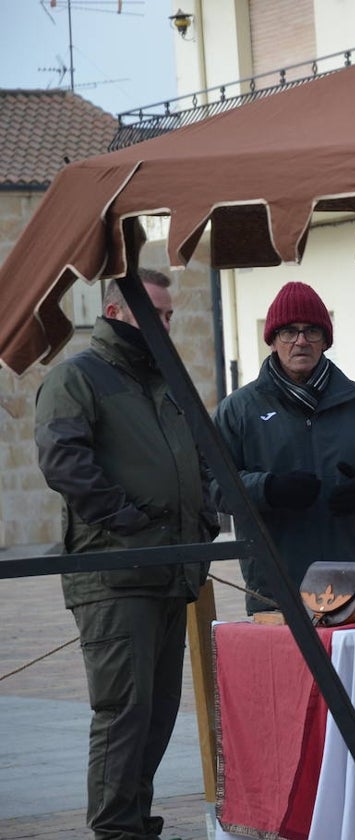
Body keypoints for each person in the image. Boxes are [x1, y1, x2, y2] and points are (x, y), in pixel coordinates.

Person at [34, 268, 218, 840]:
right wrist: (128, 522)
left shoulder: (167, 383)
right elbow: (64, 461)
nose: (167, 325)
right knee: (123, 711)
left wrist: (206, 520)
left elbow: (202, 459)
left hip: (172, 569)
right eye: (156, 315)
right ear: (116, 312)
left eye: (169, 316)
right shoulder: (76, 378)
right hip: (115, 575)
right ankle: (117, 830)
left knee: (158, 713)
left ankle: (137, 820)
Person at [212, 281, 355, 613]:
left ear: (325, 341)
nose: (301, 341)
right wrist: (269, 489)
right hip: (275, 585)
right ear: (273, 340)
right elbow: (209, 481)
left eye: (312, 331)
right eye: (289, 331)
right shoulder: (239, 409)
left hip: (353, 579)